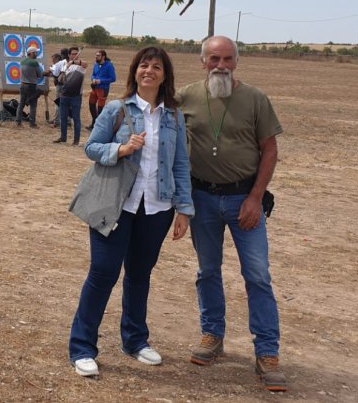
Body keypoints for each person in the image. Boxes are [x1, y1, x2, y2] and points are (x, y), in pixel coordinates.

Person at [68, 46, 194, 377]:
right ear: (135, 71)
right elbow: (91, 147)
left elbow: (181, 164)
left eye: (156, 66)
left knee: (139, 275)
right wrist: (121, 149)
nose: (148, 71)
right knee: (103, 273)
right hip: (115, 204)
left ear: (165, 75)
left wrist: (184, 209)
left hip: (157, 208)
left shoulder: (174, 117)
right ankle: (82, 347)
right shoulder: (116, 109)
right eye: (143, 65)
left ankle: (135, 341)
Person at [177, 35, 286, 392]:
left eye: (227, 59)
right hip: (202, 199)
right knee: (207, 270)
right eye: (214, 59)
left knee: (257, 275)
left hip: (244, 200)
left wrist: (255, 197)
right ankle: (212, 335)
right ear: (202, 62)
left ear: (237, 62)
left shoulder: (255, 99)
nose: (221, 65)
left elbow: (269, 151)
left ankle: (267, 353)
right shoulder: (187, 97)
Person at [53, 47, 85, 146]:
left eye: (76, 53)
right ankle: (63, 137)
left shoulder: (81, 66)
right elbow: (60, 80)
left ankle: (76, 140)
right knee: (63, 117)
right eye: (72, 54)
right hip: (64, 96)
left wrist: (74, 62)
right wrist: (65, 69)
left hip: (76, 96)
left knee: (76, 118)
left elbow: (85, 64)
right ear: (69, 55)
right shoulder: (65, 65)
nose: (74, 55)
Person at [88, 49, 116, 130]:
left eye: (98, 55)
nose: (96, 57)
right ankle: (94, 121)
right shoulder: (95, 64)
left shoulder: (109, 65)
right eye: (96, 55)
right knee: (91, 105)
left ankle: (99, 125)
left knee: (100, 108)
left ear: (103, 56)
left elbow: (113, 78)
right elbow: (93, 74)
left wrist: (101, 81)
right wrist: (93, 79)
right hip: (94, 88)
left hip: (103, 89)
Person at [16, 46, 43, 128]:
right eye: (35, 52)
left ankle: (18, 121)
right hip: (31, 86)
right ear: (31, 53)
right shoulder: (34, 62)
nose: (36, 54)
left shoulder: (22, 61)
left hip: (23, 84)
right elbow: (40, 74)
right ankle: (32, 123)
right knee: (33, 105)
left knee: (21, 104)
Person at [46, 51, 66, 127]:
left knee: (59, 103)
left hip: (60, 86)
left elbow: (49, 72)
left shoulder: (58, 64)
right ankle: (65, 121)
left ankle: (57, 121)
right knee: (64, 103)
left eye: (53, 60)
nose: (53, 61)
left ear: (57, 59)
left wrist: (43, 73)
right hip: (63, 86)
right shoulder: (63, 63)